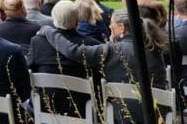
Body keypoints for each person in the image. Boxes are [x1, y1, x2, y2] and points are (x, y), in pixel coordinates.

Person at [41, 9, 169, 123]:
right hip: (158, 112)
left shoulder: (112, 50)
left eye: (111, 24)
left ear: (122, 28)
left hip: (123, 115)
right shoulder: (153, 47)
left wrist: (49, 31)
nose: (109, 26)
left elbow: (73, 51)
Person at [27, 0, 100, 118]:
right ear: (77, 22)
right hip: (82, 110)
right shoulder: (91, 44)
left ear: (53, 20)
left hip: (46, 108)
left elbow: (29, 69)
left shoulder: (38, 42)